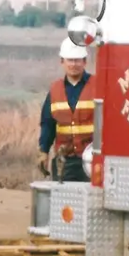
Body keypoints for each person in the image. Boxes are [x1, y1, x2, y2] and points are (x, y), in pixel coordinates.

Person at [38, 38, 95, 181]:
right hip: (64, 161)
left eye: (77, 60)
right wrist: (44, 151)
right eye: (70, 60)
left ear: (84, 62)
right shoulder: (55, 90)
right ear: (62, 62)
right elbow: (48, 124)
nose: (73, 64)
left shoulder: (98, 86)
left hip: (92, 160)